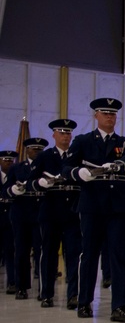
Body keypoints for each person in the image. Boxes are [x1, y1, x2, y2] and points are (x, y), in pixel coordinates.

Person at [64, 99, 125, 320]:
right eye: (105, 114)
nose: (109, 118)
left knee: (119, 256)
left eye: (113, 114)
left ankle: (120, 306)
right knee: (89, 255)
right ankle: (84, 302)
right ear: (96, 115)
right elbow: (66, 167)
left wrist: (118, 164)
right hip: (92, 205)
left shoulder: (124, 142)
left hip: (117, 206)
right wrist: (78, 173)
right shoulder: (83, 141)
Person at [30, 119, 83, 308]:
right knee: (49, 253)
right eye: (62, 133)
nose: (65, 136)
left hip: (72, 211)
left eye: (68, 133)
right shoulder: (45, 157)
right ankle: (46, 294)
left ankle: (73, 296)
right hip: (51, 211)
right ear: (54, 135)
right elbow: (30, 181)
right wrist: (40, 184)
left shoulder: (77, 155)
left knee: (74, 254)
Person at [6, 138, 46, 300]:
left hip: (40, 213)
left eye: (39, 149)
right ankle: (21, 287)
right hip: (21, 214)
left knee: (41, 252)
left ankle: (43, 289)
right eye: (33, 149)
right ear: (27, 151)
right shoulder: (16, 168)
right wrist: (13, 190)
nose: (36, 152)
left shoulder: (46, 168)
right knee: (21, 252)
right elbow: (5, 190)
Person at [0, 150, 17, 295]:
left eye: (11, 160)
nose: (8, 162)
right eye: (5, 160)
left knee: (11, 253)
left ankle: (12, 282)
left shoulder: (16, 177)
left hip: (10, 221)